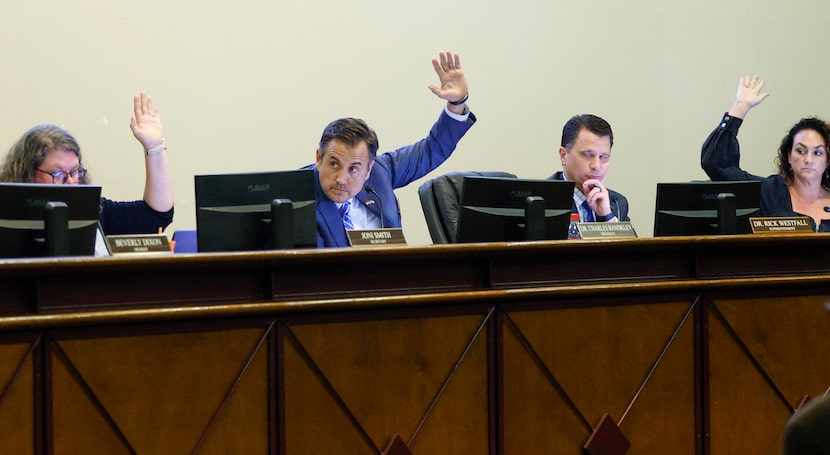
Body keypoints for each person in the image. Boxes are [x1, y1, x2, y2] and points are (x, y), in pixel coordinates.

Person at [308, 50, 475, 247]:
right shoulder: (298, 197)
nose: (341, 179)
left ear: (369, 168)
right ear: (319, 158)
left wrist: (457, 103)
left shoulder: (381, 172)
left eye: (353, 168)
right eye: (334, 164)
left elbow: (432, 149)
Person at [0, 92, 174, 235]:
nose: (70, 182)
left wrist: (154, 147)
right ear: (29, 172)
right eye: (58, 174)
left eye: (75, 172)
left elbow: (155, 216)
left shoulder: (94, 212)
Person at [701, 75, 830, 231]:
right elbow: (716, 163)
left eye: (817, 153)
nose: (808, 159)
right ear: (789, 156)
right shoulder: (769, 193)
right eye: (801, 151)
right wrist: (740, 107)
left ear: (827, 160)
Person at [548, 114, 630, 222]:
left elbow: (630, 239)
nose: (596, 166)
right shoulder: (543, 200)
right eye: (587, 155)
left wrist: (606, 216)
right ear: (564, 155)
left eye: (603, 157)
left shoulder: (617, 203)